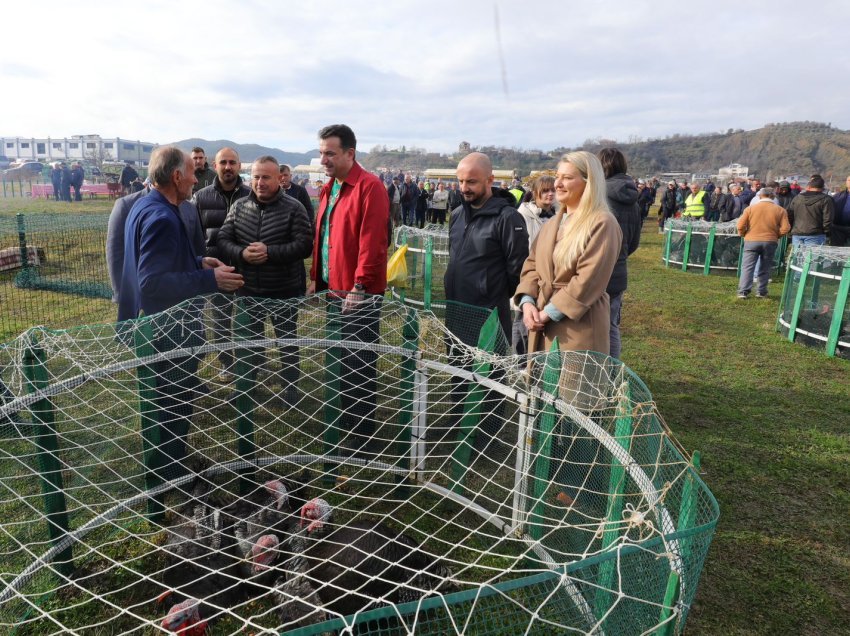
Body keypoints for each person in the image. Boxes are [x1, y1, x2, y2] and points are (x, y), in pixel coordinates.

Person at [119, 147, 243, 478]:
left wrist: (199, 263)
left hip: (157, 328)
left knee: (167, 403)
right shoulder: (161, 217)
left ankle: (169, 465)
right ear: (176, 177)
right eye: (190, 173)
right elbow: (152, 283)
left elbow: (161, 264)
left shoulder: (149, 205)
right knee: (172, 407)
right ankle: (169, 473)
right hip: (168, 333)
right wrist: (210, 279)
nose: (194, 178)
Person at [308, 124, 389, 455]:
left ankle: (363, 439)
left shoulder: (370, 188)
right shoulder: (331, 188)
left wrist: (359, 286)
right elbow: (324, 236)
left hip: (358, 295)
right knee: (339, 360)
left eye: (330, 153)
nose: (323, 159)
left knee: (358, 365)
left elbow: (373, 243)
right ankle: (345, 424)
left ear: (349, 153)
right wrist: (317, 276)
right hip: (334, 291)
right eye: (321, 152)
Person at [444, 152, 528, 457]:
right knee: (458, 365)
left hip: (488, 312)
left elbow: (517, 269)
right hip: (456, 308)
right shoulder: (457, 214)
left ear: (491, 180)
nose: (464, 187)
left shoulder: (508, 219)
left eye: (472, 182)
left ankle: (486, 437)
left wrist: (489, 293)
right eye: (461, 181)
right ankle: (458, 421)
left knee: (489, 372)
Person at [217, 156, 313, 404]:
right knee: (248, 342)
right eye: (256, 177)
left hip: (284, 288)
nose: (259, 182)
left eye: (265, 177)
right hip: (249, 289)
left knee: (287, 343)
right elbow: (223, 239)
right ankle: (246, 386)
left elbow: (304, 245)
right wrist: (242, 253)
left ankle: (290, 389)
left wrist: (270, 252)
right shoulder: (239, 207)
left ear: (279, 178)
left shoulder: (294, 208)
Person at [514, 151, 622, 355]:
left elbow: (588, 281)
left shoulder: (602, 223)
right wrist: (528, 302)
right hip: (540, 319)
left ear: (588, 183)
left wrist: (547, 313)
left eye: (567, 178)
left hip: (577, 328)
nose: (557, 184)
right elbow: (532, 265)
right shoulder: (553, 223)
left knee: (570, 384)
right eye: (558, 177)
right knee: (542, 384)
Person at [192, 147, 252, 380]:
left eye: (232, 162)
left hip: (246, 268)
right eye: (223, 162)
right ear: (215, 166)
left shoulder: (251, 195)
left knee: (250, 319)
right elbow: (196, 233)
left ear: (239, 166)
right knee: (220, 320)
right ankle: (227, 362)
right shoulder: (201, 197)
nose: (228, 167)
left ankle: (252, 362)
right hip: (217, 270)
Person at [597, 148, 641, 360]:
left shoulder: (599, 194)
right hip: (619, 269)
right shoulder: (633, 198)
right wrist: (620, 255)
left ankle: (596, 372)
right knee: (612, 326)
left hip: (597, 270)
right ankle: (612, 372)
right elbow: (633, 242)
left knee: (593, 327)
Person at [512, 175, 556, 355]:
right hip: (529, 274)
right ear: (535, 193)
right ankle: (520, 361)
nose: (550, 195)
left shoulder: (561, 215)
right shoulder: (522, 215)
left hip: (552, 276)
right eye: (545, 191)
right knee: (522, 319)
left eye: (553, 190)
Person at [736, 187, 791, 299]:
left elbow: (740, 225)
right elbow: (786, 228)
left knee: (747, 267)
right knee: (765, 267)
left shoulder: (750, 209)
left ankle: (743, 292)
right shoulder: (780, 210)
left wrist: (744, 234)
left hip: (751, 240)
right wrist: (776, 235)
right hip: (770, 241)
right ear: (773, 196)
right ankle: (761, 292)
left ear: (760, 196)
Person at [787, 174, 833, 247]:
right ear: (823, 188)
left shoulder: (797, 198)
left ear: (809, 186)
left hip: (797, 234)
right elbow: (828, 219)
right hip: (816, 234)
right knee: (812, 258)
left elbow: (789, 215)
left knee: (798, 258)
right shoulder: (826, 199)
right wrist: (827, 232)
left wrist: (791, 231)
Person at [829, 175, 850, 246]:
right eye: (849, 180)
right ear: (846, 182)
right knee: (837, 253)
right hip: (838, 228)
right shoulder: (838, 196)